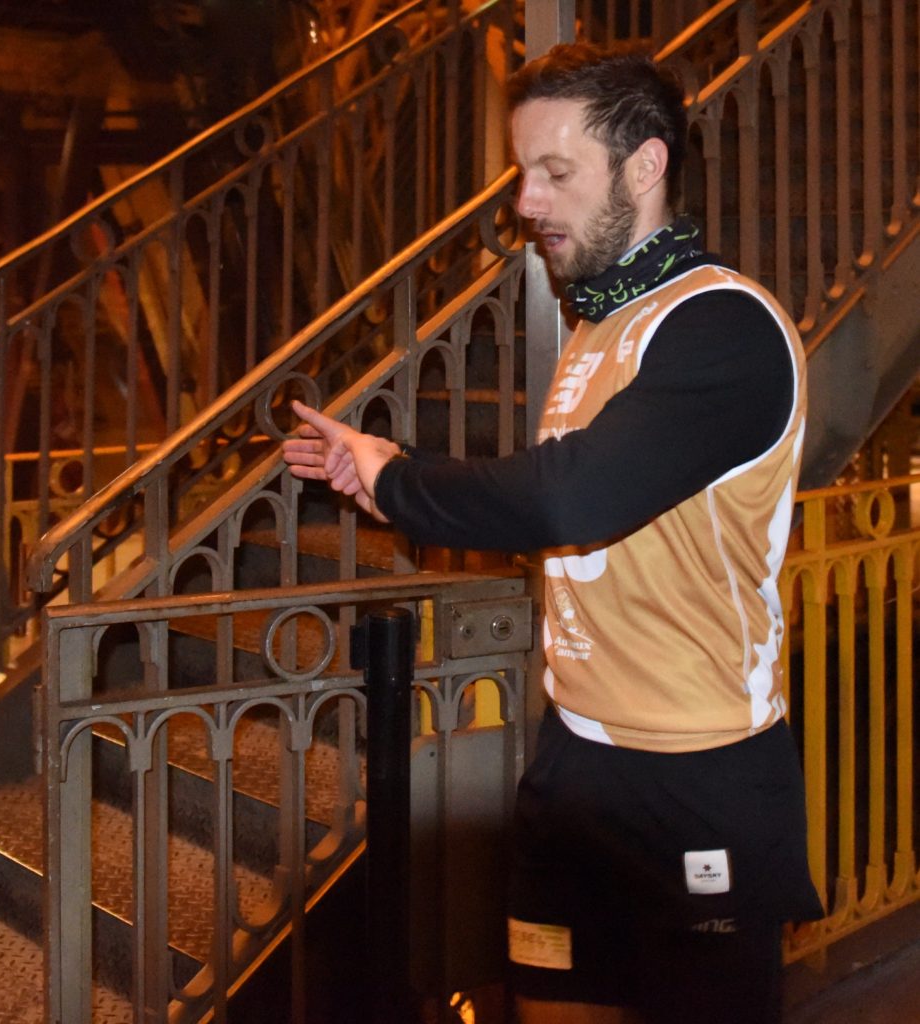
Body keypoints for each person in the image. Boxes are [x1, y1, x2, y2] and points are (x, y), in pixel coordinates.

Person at [283, 44, 823, 1024]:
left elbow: (572, 499)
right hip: (572, 758)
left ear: (645, 164)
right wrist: (381, 480)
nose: (525, 202)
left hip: (695, 776)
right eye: (522, 172)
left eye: (554, 172)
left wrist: (395, 478)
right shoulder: (595, 328)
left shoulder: (724, 328)